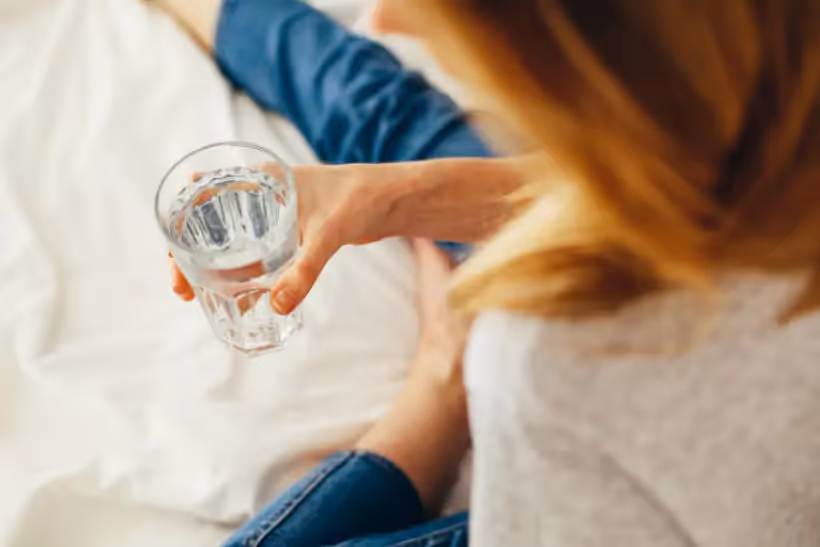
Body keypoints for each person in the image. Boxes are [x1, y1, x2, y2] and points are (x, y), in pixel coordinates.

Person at [155, 0, 820, 545]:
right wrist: (398, 194)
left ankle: (439, 389)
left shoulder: (559, 359)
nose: (383, 16)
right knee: (389, 126)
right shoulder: (778, 95)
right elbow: (697, 198)